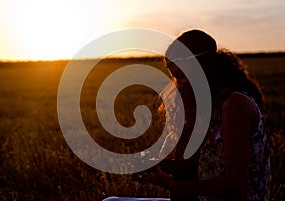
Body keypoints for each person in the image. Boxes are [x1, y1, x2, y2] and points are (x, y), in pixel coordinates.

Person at [104, 29, 270, 201]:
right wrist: (156, 166)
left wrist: (169, 184)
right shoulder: (206, 108)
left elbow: (235, 185)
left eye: (181, 76)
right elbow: (202, 167)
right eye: (174, 77)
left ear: (203, 69)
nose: (178, 85)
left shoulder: (235, 105)